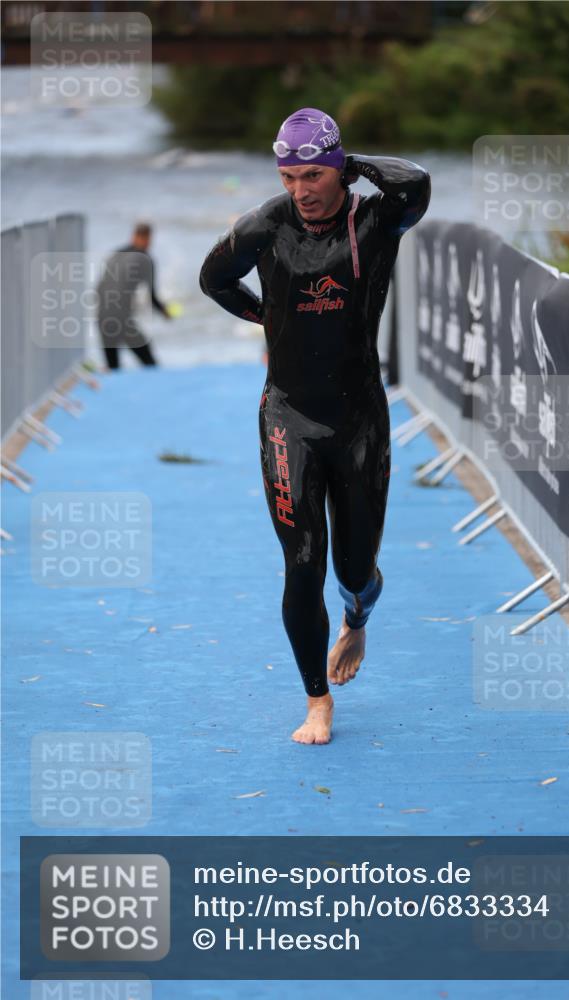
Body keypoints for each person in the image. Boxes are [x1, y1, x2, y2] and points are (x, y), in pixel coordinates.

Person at [199, 108, 430, 744]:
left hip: (359, 420)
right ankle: (317, 701)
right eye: (288, 174)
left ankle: (358, 611)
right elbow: (211, 277)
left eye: (313, 174)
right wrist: (260, 316)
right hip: (288, 418)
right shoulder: (264, 226)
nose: (300, 189)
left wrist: (349, 163)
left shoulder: (376, 221)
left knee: (354, 568)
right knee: (302, 561)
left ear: (338, 171)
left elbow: (415, 184)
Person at [96, 222, 170, 370]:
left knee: (113, 367)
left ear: (134, 235)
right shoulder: (145, 259)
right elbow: (152, 298)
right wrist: (165, 312)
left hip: (101, 315)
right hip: (121, 318)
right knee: (149, 362)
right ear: (148, 238)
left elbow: (100, 287)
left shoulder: (116, 254)